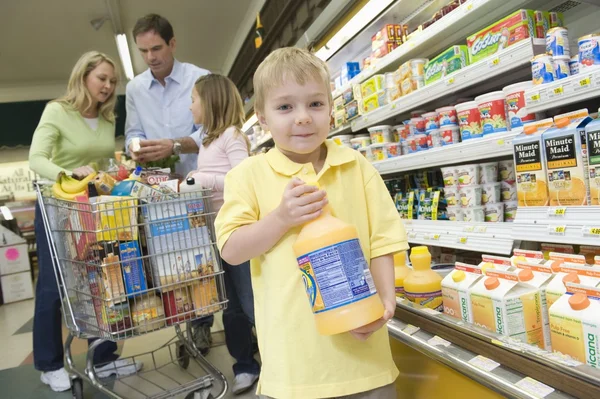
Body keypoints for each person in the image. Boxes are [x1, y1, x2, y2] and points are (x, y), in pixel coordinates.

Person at [214, 47, 407, 398]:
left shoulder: (355, 165)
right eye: (285, 107)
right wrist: (281, 218)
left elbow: (384, 241)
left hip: (366, 361)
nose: (303, 117)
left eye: (315, 104)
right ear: (261, 117)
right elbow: (232, 250)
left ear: (331, 111)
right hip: (293, 371)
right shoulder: (248, 176)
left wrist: (386, 301)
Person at [29, 51, 142, 392]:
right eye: (101, 78)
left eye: (112, 81)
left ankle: (104, 357)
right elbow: (36, 158)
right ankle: (48, 364)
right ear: (83, 77)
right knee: (54, 286)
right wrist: (66, 173)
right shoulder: (58, 111)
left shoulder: (108, 118)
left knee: (101, 281)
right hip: (56, 208)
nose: (107, 86)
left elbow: (98, 162)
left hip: (91, 208)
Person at [124, 13, 214, 353]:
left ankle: (202, 325)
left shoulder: (200, 79)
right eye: (143, 51)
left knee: (204, 260)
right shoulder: (134, 89)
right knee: (171, 262)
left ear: (172, 43)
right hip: (158, 191)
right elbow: (132, 132)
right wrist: (135, 148)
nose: (151, 57)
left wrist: (175, 145)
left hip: (199, 185)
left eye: (157, 48)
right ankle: (183, 325)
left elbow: (211, 130)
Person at [173, 74, 260, 394]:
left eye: (193, 99)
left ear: (210, 102)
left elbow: (244, 179)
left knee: (251, 301)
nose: (190, 105)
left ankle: (280, 358)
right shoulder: (208, 142)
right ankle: (244, 365)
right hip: (216, 236)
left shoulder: (232, 136)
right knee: (230, 306)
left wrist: (203, 180)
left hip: (239, 231)